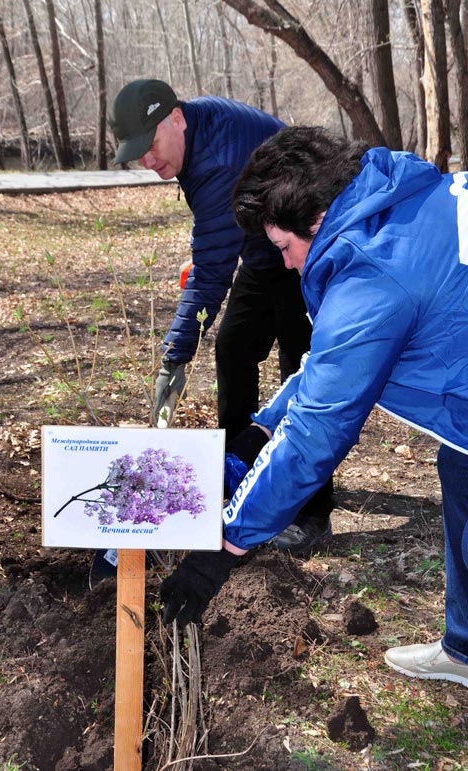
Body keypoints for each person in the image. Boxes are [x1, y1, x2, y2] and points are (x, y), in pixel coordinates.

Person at [160, 125, 468, 689]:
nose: (288, 265)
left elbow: (317, 433)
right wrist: (256, 433)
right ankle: (465, 648)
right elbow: (325, 369)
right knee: (463, 467)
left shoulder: (373, 276)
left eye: (284, 248)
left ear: (317, 217)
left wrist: (225, 548)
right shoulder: (388, 202)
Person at [107, 80, 334, 552]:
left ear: (175, 117)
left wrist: (177, 351)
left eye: (149, 146)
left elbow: (212, 271)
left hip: (308, 250)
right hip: (262, 248)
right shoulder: (198, 130)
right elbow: (216, 246)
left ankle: (312, 510)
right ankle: (238, 471)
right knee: (234, 347)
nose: (147, 162)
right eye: (137, 154)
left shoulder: (216, 161)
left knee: (303, 371)